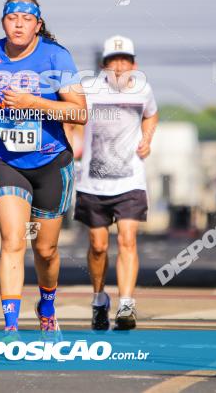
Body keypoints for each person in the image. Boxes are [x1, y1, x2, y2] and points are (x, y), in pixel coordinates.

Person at [0, 0, 86, 339]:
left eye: (26, 19)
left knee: (45, 250)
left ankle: (46, 306)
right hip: (4, 158)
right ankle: (11, 328)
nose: (18, 24)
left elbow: (79, 112)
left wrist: (34, 101)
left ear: (38, 25)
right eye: (12, 17)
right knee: (13, 240)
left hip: (50, 162)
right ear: (3, 22)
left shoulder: (57, 57)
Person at [65, 35, 157, 331]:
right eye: (113, 62)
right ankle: (99, 299)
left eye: (125, 61)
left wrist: (147, 140)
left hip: (130, 180)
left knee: (128, 239)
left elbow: (151, 116)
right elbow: (68, 115)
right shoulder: (88, 90)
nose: (119, 67)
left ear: (134, 64)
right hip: (92, 183)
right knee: (98, 246)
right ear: (103, 66)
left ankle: (127, 304)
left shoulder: (143, 89)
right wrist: (72, 140)